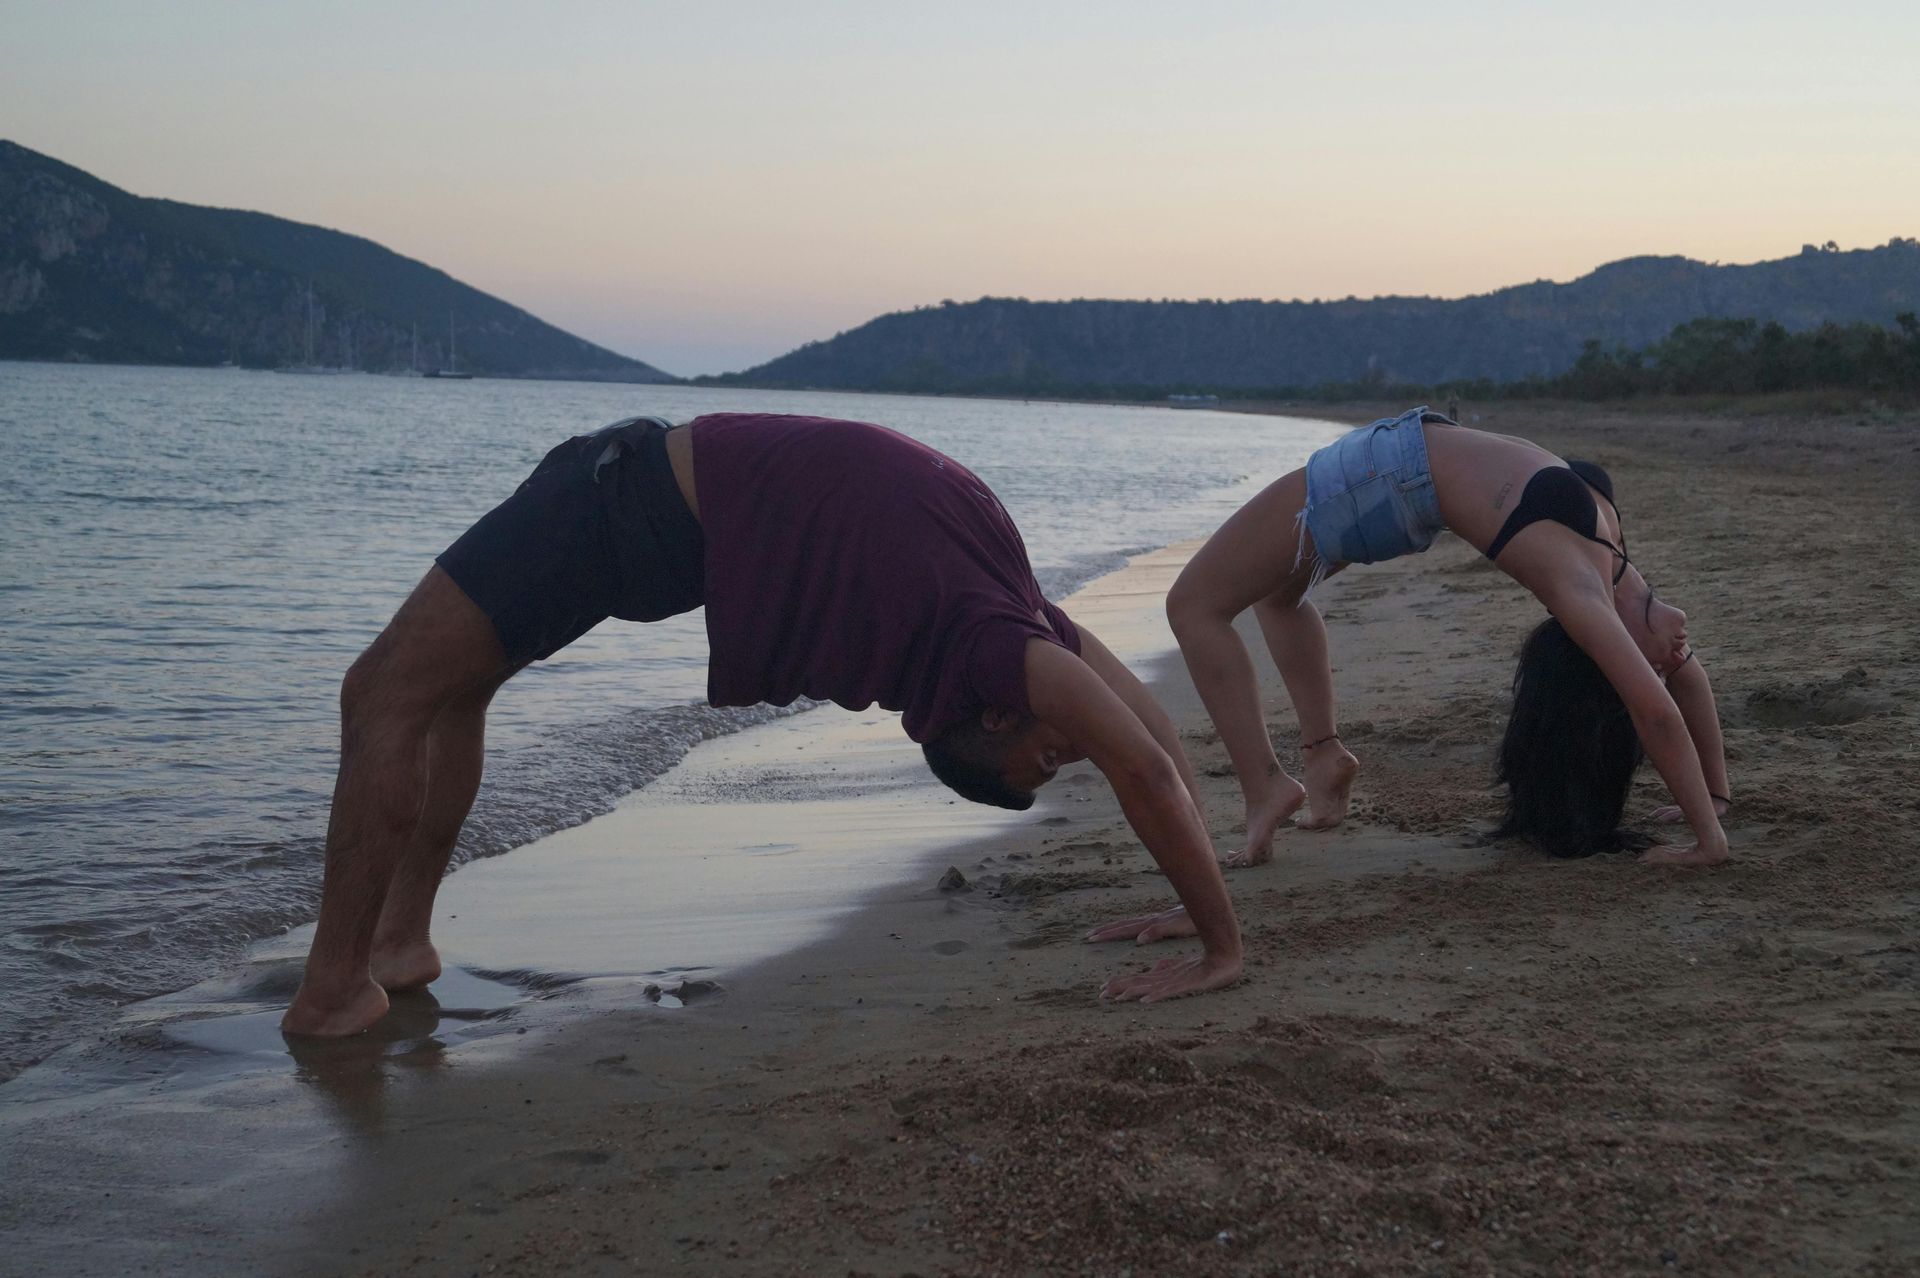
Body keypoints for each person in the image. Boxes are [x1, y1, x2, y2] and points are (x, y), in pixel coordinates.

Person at [282, 413, 1243, 1037]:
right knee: (449, 692)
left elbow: (1140, 766)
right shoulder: (1013, 619)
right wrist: (1197, 917)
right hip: (649, 519)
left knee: (381, 695)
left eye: (1047, 757)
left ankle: (334, 989)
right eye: (1054, 759)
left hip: (621, 502)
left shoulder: (992, 643)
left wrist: (1218, 947)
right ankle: (397, 942)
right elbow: (1151, 752)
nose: (1072, 745)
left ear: (989, 716)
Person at [1099, 405, 1729, 954]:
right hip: (1401, 472)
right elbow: (1683, 683)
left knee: (1193, 606)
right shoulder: (1612, 550)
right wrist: (1717, 796)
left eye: (1650, 666)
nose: (1673, 655)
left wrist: (1708, 841)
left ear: (1606, 655)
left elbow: (1656, 715)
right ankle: (1321, 760)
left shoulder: (1584, 586)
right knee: (1278, 595)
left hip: (1389, 474)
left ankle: (1268, 786)